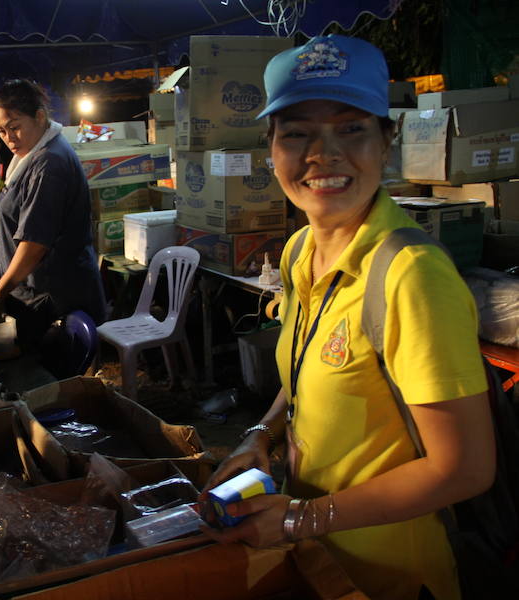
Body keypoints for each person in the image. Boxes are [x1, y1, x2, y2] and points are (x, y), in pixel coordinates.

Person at [197, 36, 494, 600]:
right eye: (298, 132)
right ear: (271, 149)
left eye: (352, 128)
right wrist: (261, 435)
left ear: (388, 140)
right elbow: (309, 367)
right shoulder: (299, 250)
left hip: (393, 572)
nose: (323, 155)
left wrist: (298, 519)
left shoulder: (411, 276)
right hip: (319, 557)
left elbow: (465, 469)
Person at [0, 79, 106, 355]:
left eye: (15, 127)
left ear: (39, 116)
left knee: (49, 374)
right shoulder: (30, 156)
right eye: (1, 131)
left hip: (53, 295)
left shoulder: (49, 163)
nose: (9, 138)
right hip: (35, 291)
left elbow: (35, 243)